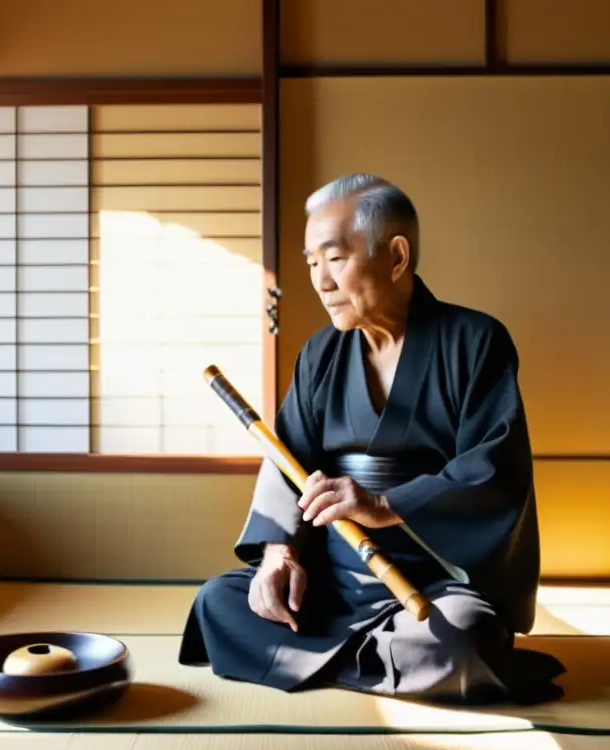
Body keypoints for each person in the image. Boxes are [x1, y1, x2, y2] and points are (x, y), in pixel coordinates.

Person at [178, 173, 565, 705]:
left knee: (465, 633)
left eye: (334, 258)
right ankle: (377, 662)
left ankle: (311, 659)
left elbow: (495, 469)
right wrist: (278, 553)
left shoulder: (476, 342)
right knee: (217, 602)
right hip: (330, 580)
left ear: (397, 256)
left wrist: (386, 503)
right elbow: (285, 460)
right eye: (311, 263)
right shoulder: (319, 355)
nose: (320, 280)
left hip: (433, 583)